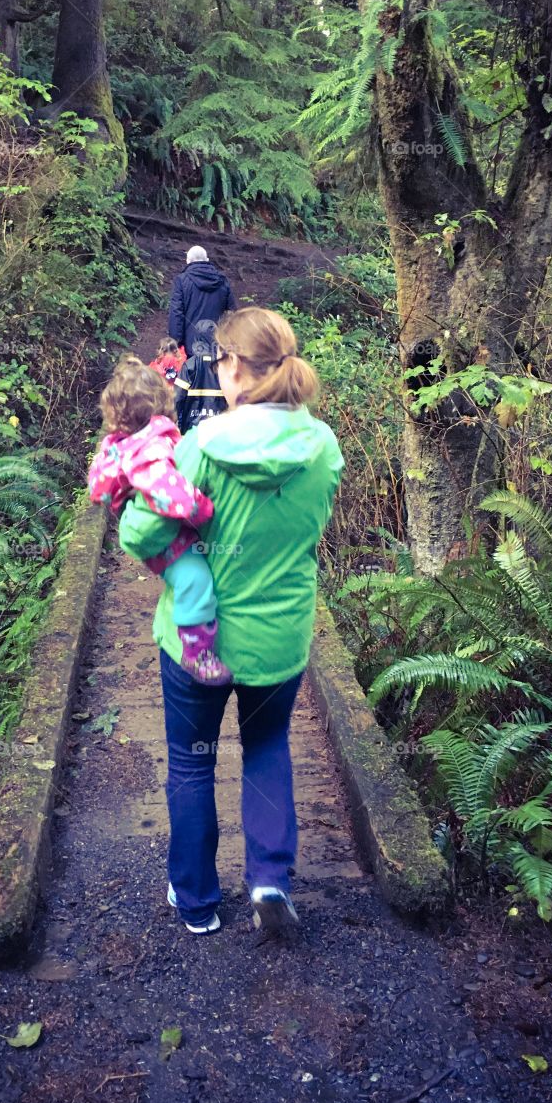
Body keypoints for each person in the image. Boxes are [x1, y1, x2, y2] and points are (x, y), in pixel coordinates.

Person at [119, 308, 344, 936]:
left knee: (192, 761)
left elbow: (144, 532)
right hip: (281, 636)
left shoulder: (202, 446)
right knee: (267, 748)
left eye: (220, 359)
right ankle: (269, 879)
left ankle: (195, 902)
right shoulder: (323, 447)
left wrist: (135, 505)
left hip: (199, 638)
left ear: (237, 367)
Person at [87, 356, 232, 685]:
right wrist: (203, 511)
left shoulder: (129, 442)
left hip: (156, 532)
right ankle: (196, 652)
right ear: (161, 403)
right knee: (195, 581)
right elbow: (170, 492)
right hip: (168, 541)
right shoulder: (150, 448)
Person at [168, 245, 237, 356]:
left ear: (188, 261)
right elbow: (231, 313)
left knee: (193, 371)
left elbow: (177, 313)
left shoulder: (181, 281)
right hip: (218, 343)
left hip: (191, 345)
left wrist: (175, 341)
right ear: (207, 260)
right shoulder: (222, 280)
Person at [174, 319, 227, 435]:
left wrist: (174, 423)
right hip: (220, 426)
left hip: (192, 427)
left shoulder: (190, 365)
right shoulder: (223, 364)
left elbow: (177, 397)